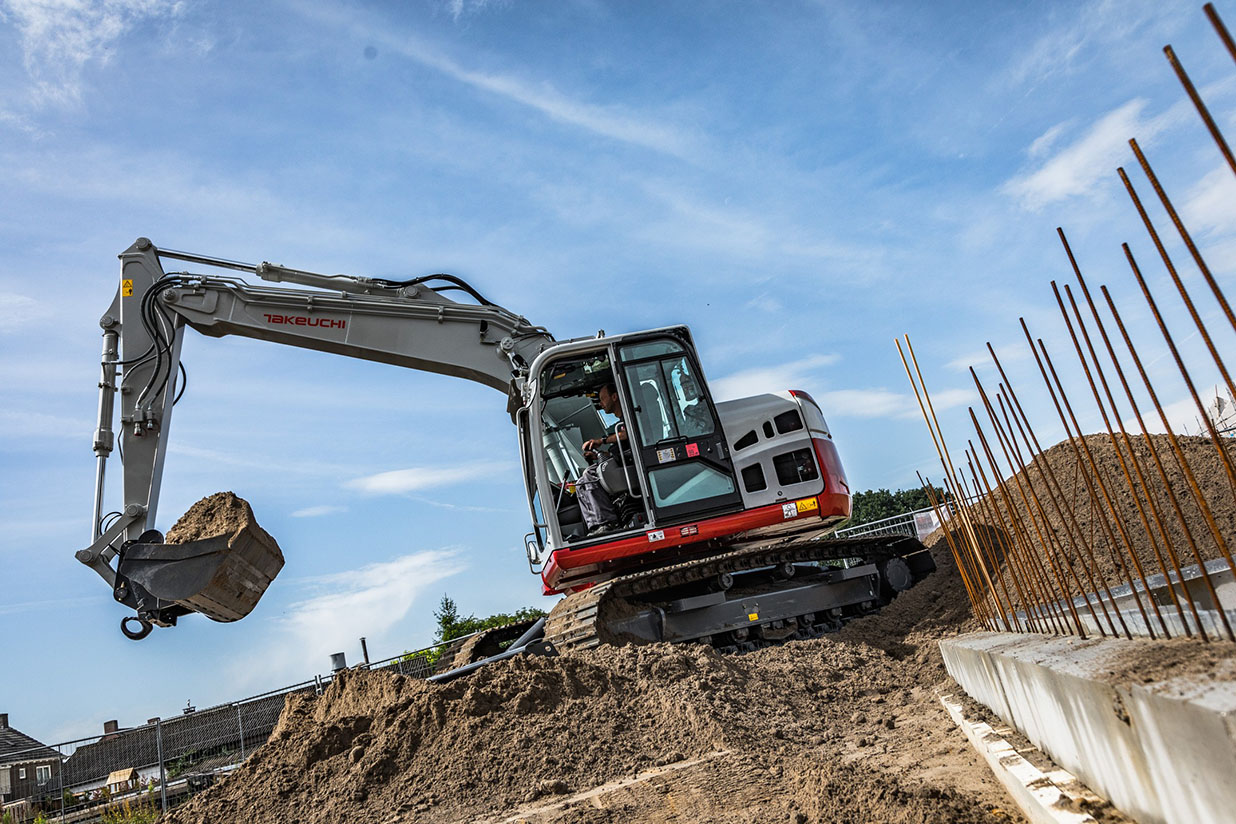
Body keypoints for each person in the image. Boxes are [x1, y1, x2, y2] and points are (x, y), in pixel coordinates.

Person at [576, 382, 629, 534]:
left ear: (614, 397)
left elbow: (628, 434)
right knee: (580, 484)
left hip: (630, 461)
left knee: (590, 474)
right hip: (620, 460)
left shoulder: (629, 416)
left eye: (603, 398)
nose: (601, 403)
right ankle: (595, 525)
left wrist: (601, 441)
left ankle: (608, 522)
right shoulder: (620, 423)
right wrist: (598, 455)